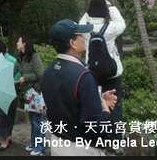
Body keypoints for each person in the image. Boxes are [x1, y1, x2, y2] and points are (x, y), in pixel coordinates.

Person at [41, 19, 117, 156]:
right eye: (80, 35)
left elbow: (68, 102)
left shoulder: (49, 71)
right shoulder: (83, 76)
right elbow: (96, 127)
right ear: (72, 43)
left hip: (57, 144)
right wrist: (105, 109)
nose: (84, 37)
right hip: (81, 149)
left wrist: (97, 98)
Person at [79, 0, 126, 148]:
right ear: (105, 11)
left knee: (96, 104)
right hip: (113, 74)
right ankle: (116, 141)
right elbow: (121, 23)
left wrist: (88, 13)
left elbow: (81, 21)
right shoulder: (112, 28)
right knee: (115, 106)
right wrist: (111, 7)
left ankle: (99, 139)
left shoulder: (84, 28)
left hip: (93, 74)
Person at [14, 34, 46, 156]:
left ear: (25, 43)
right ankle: (34, 144)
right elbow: (14, 69)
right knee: (33, 120)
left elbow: (40, 74)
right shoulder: (21, 58)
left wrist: (25, 78)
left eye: (19, 41)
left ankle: (40, 147)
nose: (17, 43)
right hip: (28, 93)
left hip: (36, 92)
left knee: (38, 121)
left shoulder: (34, 56)